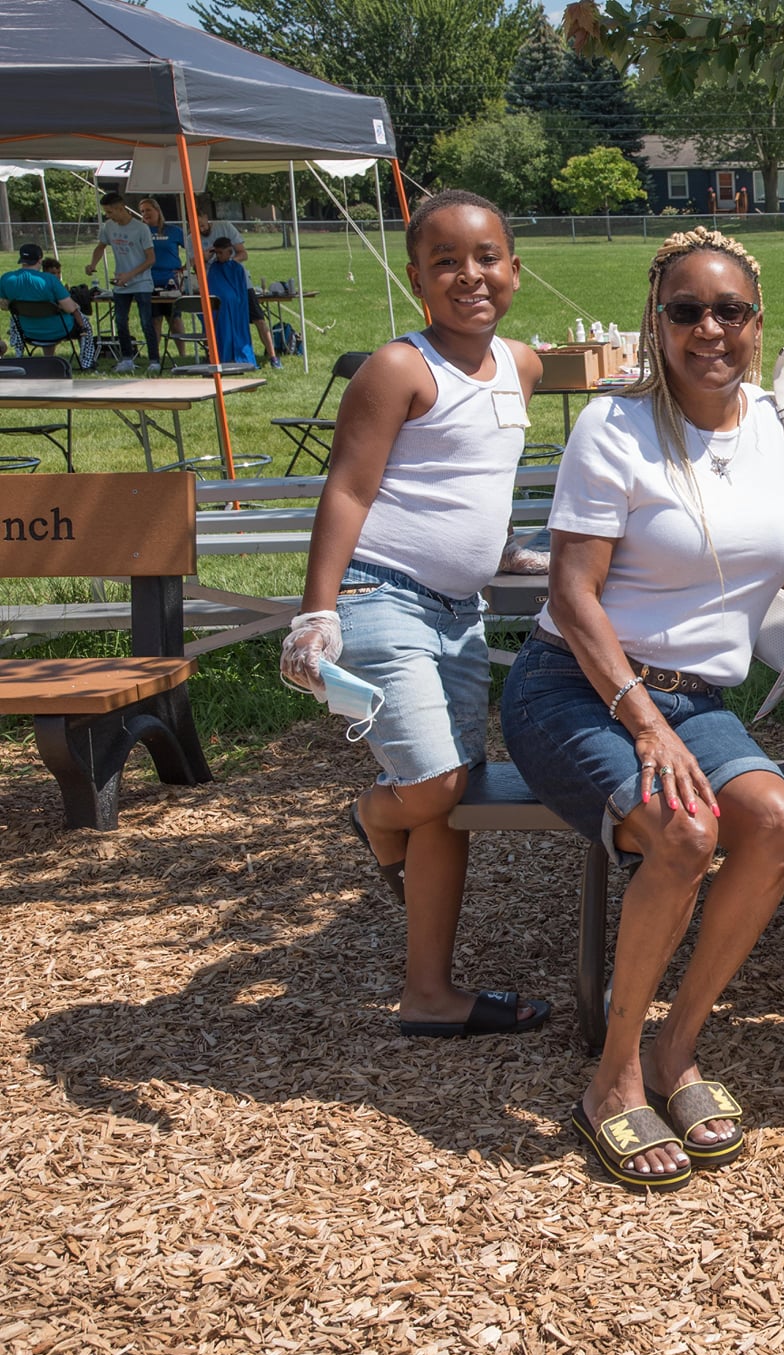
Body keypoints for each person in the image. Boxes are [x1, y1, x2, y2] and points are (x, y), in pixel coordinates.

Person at [500, 227, 784, 1190]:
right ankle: (611, 1079)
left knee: (777, 820)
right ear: (656, 320)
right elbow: (573, 596)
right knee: (685, 834)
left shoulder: (771, 425)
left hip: (692, 698)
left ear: (756, 322)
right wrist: (642, 718)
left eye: (728, 311)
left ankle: (675, 1047)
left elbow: (772, 546)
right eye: (686, 310)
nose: (709, 329)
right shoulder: (612, 430)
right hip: (574, 685)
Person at [280, 190, 550, 1045]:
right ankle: (371, 814)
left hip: (460, 613)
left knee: (448, 799)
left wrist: (499, 548)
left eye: (485, 257)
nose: (468, 275)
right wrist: (316, 610)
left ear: (514, 267)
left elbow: (480, 472)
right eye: (445, 262)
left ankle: (428, 992)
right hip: (379, 594)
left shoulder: (523, 364)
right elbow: (351, 488)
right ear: (416, 279)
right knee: (429, 787)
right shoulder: (398, 368)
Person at [194, 213, 280, 368]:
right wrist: (205, 257)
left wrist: (230, 264)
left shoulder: (226, 229)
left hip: (241, 294)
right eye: (196, 225)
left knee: (259, 320)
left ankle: (273, 357)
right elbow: (197, 267)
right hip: (224, 304)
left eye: (202, 224)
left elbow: (243, 253)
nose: (200, 228)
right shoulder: (213, 267)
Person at [86, 192, 156, 374]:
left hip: (141, 282)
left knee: (146, 321)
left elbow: (150, 259)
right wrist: (93, 264)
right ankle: (126, 359)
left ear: (120, 208)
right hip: (121, 283)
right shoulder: (108, 227)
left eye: (110, 212)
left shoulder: (141, 228)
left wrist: (130, 275)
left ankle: (154, 360)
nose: (108, 216)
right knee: (120, 322)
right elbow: (100, 246)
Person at [2, 242, 90, 355]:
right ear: (39, 260)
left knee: (16, 319)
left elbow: (4, 306)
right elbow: (69, 308)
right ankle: (87, 362)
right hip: (59, 330)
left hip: (26, 331)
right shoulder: (50, 280)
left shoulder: (6, 279)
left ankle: (22, 357)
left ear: (22, 260)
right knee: (84, 322)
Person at [136, 198, 187, 362]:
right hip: (149, 280)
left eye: (148, 210)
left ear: (157, 211)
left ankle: (183, 354)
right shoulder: (141, 231)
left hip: (170, 280)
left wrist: (185, 268)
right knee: (154, 320)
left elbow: (193, 249)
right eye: (142, 211)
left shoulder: (173, 231)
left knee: (175, 319)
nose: (145, 214)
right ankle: (155, 355)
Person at [201, 236, 257, 368]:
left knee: (237, 330)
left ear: (230, 252)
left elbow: (240, 291)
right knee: (222, 331)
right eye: (217, 253)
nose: (219, 256)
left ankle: (239, 356)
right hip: (221, 309)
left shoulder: (237, 268)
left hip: (236, 307)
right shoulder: (213, 268)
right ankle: (223, 356)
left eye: (221, 253)